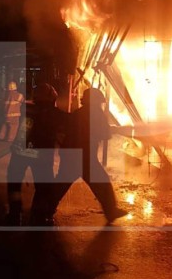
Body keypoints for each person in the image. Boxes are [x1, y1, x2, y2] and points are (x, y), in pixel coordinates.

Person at [48, 87, 127, 224]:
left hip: (70, 155)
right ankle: (111, 211)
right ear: (97, 101)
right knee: (102, 183)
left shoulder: (77, 113)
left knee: (60, 185)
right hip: (85, 157)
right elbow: (105, 135)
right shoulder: (97, 114)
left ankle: (44, 210)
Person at [3, 83, 65, 226]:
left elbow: (24, 129)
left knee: (14, 183)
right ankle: (38, 217)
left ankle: (14, 214)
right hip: (41, 155)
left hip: (22, 152)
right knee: (43, 186)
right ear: (52, 97)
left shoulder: (28, 109)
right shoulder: (56, 114)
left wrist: (17, 146)